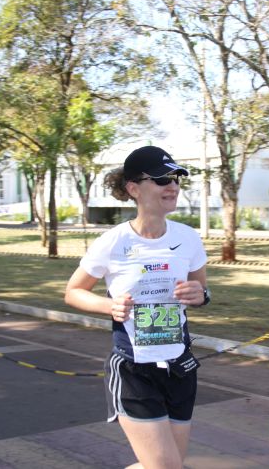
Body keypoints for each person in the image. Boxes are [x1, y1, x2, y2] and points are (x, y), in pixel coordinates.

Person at [64, 145, 209, 469]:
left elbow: (202, 291)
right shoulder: (114, 241)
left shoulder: (188, 238)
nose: (172, 186)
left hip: (179, 367)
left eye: (175, 179)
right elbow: (73, 292)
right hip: (134, 369)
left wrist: (199, 294)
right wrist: (109, 305)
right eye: (161, 179)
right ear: (134, 188)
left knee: (167, 465)